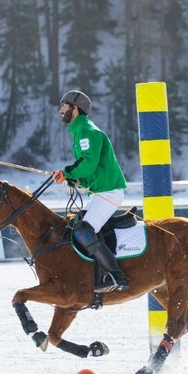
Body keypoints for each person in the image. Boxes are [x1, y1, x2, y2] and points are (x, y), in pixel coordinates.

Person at [53, 90, 129, 292]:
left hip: (109, 192)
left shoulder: (87, 131)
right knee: (76, 226)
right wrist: (72, 178)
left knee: (84, 230)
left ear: (75, 109)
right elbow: (88, 169)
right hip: (100, 192)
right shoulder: (79, 132)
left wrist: (67, 172)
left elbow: (88, 163)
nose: (61, 110)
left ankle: (116, 277)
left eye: (64, 106)